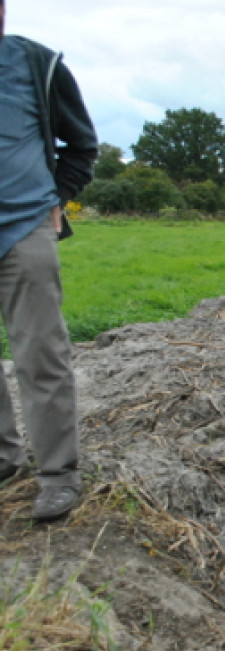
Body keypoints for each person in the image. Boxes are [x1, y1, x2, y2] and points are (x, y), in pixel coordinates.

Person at [0, 0, 97, 521]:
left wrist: (57, 200)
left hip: (22, 226)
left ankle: (58, 475)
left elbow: (81, 145)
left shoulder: (38, 65)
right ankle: (3, 458)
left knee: (41, 353)